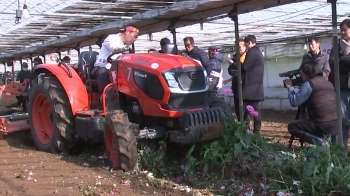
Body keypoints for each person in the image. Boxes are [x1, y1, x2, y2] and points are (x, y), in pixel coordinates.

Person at [285, 60, 337, 147]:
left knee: (292, 126)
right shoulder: (327, 82)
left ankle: (320, 143)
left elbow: (294, 102)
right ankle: (333, 148)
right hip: (339, 122)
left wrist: (290, 88)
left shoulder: (309, 84)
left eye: (301, 72)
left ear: (307, 73)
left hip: (324, 124)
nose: (300, 75)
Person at [93, 25, 139, 100]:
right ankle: (104, 98)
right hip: (103, 66)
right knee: (103, 71)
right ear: (127, 32)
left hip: (116, 68)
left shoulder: (127, 46)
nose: (135, 39)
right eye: (135, 36)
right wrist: (122, 50)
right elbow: (114, 48)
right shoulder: (111, 38)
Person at [329, 19, 350, 147]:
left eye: (345, 30)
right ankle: (340, 149)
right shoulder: (336, 47)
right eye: (341, 30)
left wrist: (342, 59)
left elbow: (340, 62)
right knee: (343, 120)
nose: (342, 32)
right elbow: (333, 64)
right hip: (342, 87)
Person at [241, 35, 264, 134]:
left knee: (250, 109)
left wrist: (234, 64)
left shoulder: (252, 52)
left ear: (249, 42)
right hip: (255, 88)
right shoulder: (258, 52)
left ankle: (252, 130)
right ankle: (255, 130)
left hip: (251, 88)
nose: (245, 47)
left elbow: (245, 67)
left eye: (246, 44)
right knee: (254, 109)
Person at [226, 39, 247, 118]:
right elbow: (230, 69)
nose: (239, 49)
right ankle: (239, 122)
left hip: (244, 84)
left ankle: (245, 123)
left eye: (240, 47)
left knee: (243, 105)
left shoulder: (247, 56)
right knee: (237, 104)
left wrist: (233, 64)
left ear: (245, 47)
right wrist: (234, 72)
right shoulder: (235, 56)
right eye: (237, 47)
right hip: (236, 84)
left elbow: (243, 68)